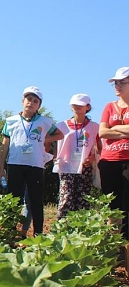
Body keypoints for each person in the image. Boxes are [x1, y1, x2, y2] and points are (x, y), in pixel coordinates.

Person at [0, 86, 63, 235]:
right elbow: (5, 144)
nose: (31, 103)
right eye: (28, 99)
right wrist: (1, 167)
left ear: (39, 105)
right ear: (22, 101)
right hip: (15, 164)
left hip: (36, 165)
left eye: (35, 101)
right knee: (13, 200)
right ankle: (10, 234)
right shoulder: (11, 121)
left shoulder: (45, 121)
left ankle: (38, 234)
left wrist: (46, 138)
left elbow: (60, 134)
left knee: (36, 201)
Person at [53, 94, 100, 218]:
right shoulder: (61, 125)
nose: (77, 107)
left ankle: (81, 232)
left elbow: (99, 147)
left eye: (81, 104)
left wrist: (93, 158)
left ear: (87, 107)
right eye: (75, 104)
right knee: (66, 199)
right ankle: (62, 231)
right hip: (66, 167)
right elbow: (53, 143)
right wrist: (55, 158)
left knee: (83, 201)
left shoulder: (95, 126)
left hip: (85, 167)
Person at [98, 66, 129, 239]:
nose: (117, 86)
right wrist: (123, 130)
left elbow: (109, 131)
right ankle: (113, 249)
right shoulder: (109, 107)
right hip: (109, 161)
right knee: (112, 206)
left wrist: (115, 128)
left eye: (122, 82)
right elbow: (102, 132)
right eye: (115, 83)